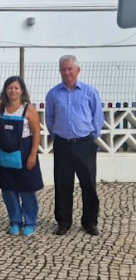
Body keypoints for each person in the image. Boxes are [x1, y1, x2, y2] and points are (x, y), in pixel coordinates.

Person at [45, 55, 103, 236]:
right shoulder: (53, 94)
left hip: (85, 143)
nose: (66, 72)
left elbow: (97, 117)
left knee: (88, 184)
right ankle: (63, 222)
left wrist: (91, 137)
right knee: (63, 184)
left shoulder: (89, 92)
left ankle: (90, 222)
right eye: (63, 69)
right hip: (62, 144)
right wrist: (58, 137)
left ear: (78, 70)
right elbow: (49, 119)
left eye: (70, 69)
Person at [0, 76, 43, 237]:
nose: (13, 91)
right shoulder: (0, 108)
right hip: (5, 155)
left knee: (27, 189)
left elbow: (37, 132)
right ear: (5, 90)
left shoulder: (28, 109)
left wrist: (33, 154)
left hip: (24, 153)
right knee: (8, 190)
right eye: (10, 88)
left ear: (21, 90)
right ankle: (15, 221)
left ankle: (30, 222)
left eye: (16, 88)